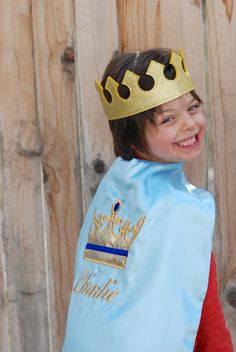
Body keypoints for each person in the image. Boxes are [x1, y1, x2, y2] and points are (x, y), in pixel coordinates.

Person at [62, 48, 233, 352]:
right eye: (168, 118)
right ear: (131, 137)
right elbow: (206, 315)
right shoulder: (182, 210)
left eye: (192, 107)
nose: (189, 124)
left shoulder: (114, 190)